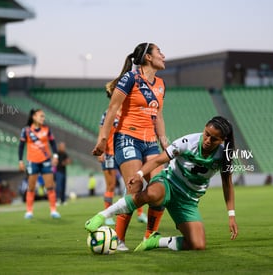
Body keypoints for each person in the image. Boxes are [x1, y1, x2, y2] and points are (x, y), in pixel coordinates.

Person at [86, 116, 239, 251]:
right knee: (151, 194)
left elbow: (227, 184)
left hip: (188, 200)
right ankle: (101, 216)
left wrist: (231, 215)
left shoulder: (223, 155)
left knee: (197, 245)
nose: (207, 140)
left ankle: (156, 241)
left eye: (214, 139)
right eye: (207, 134)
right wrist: (139, 174)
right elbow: (159, 160)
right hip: (169, 183)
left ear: (222, 140)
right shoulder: (188, 142)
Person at [91, 42, 169, 251]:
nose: (163, 55)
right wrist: (102, 139)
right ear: (148, 58)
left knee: (160, 189)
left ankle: (149, 238)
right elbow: (112, 108)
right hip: (127, 138)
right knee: (134, 186)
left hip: (151, 142)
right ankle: (119, 240)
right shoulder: (130, 78)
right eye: (159, 51)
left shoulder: (161, 84)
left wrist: (164, 141)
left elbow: (158, 115)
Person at [98, 91, 147, 226]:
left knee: (133, 184)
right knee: (111, 185)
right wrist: (101, 151)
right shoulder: (107, 114)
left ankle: (140, 213)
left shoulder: (128, 113)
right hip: (109, 153)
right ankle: (108, 215)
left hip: (124, 152)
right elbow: (102, 132)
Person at [18, 109, 61, 219]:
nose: (43, 118)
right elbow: (21, 146)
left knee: (50, 186)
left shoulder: (47, 129)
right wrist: (20, 161)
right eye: (41, 116)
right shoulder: (26, 130)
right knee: (31, 187)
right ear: (34, 117)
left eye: (44, 116)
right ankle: (29, 211)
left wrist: (55, 156)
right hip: (32, 162)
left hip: (46, 161)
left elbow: (53, 143)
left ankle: (53, 210)